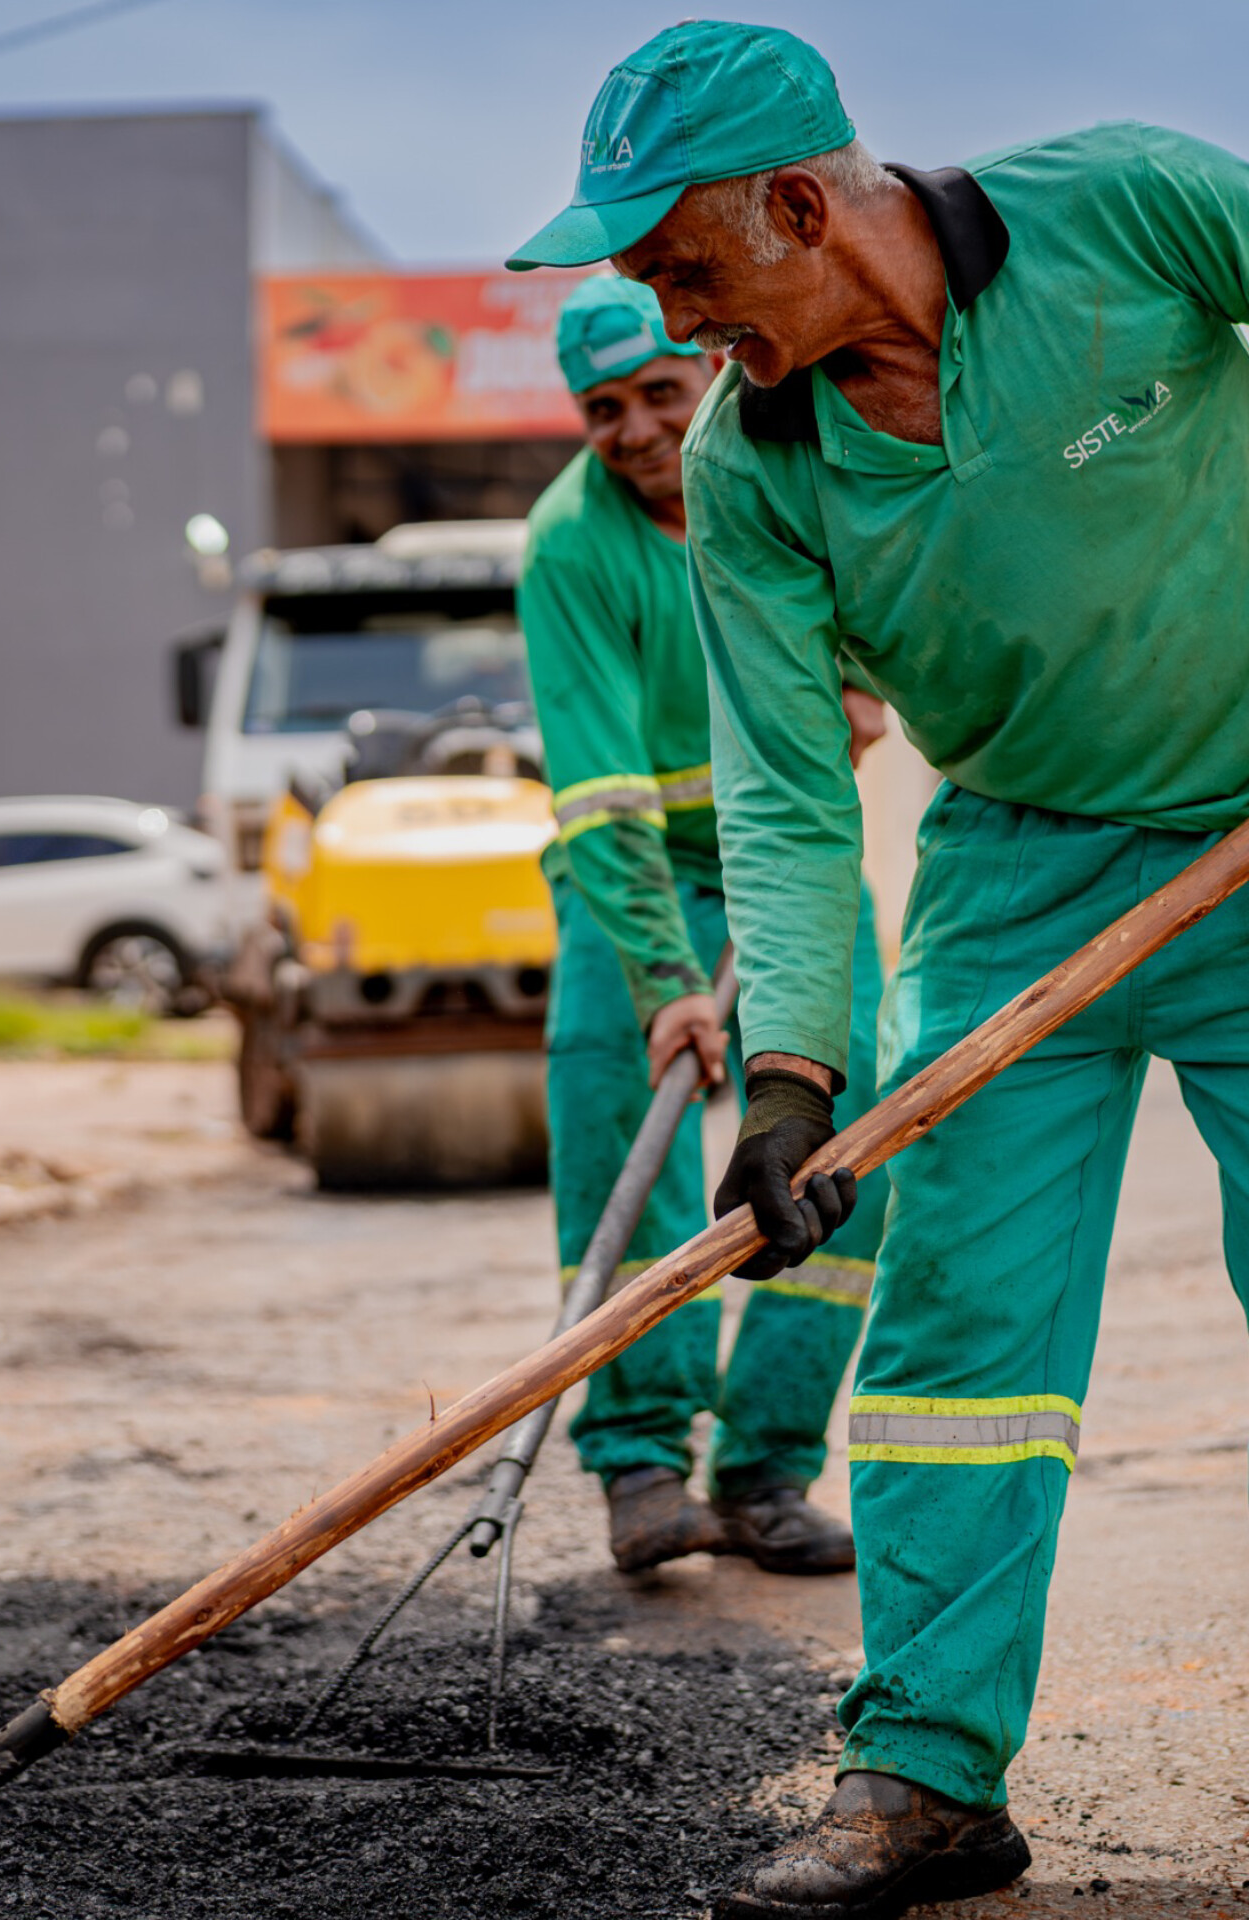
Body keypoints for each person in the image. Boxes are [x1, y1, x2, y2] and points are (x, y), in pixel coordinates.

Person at [514, 20, 1249, 1915]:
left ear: (797, 200)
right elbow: (782, 798)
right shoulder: (758, 467)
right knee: (956, 1353)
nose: (673, 322)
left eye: (685, 268)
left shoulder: (1138, 208)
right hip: (1011, 874)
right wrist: (794, 1076)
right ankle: (928, 1772)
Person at [522, 276, 891, 1581]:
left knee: (854, 1137)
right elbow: (601, 793)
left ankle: (764, 1471)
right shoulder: (571, 546)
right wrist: (666, 983)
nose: (630, 430)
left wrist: (859, 677)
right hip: (640, 884)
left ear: (711, 376)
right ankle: (636, 1462)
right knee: (620, 1121)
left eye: (657, 395)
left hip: (789, 865)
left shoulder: (790, 459)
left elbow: (884, 587)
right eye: (601, 409)